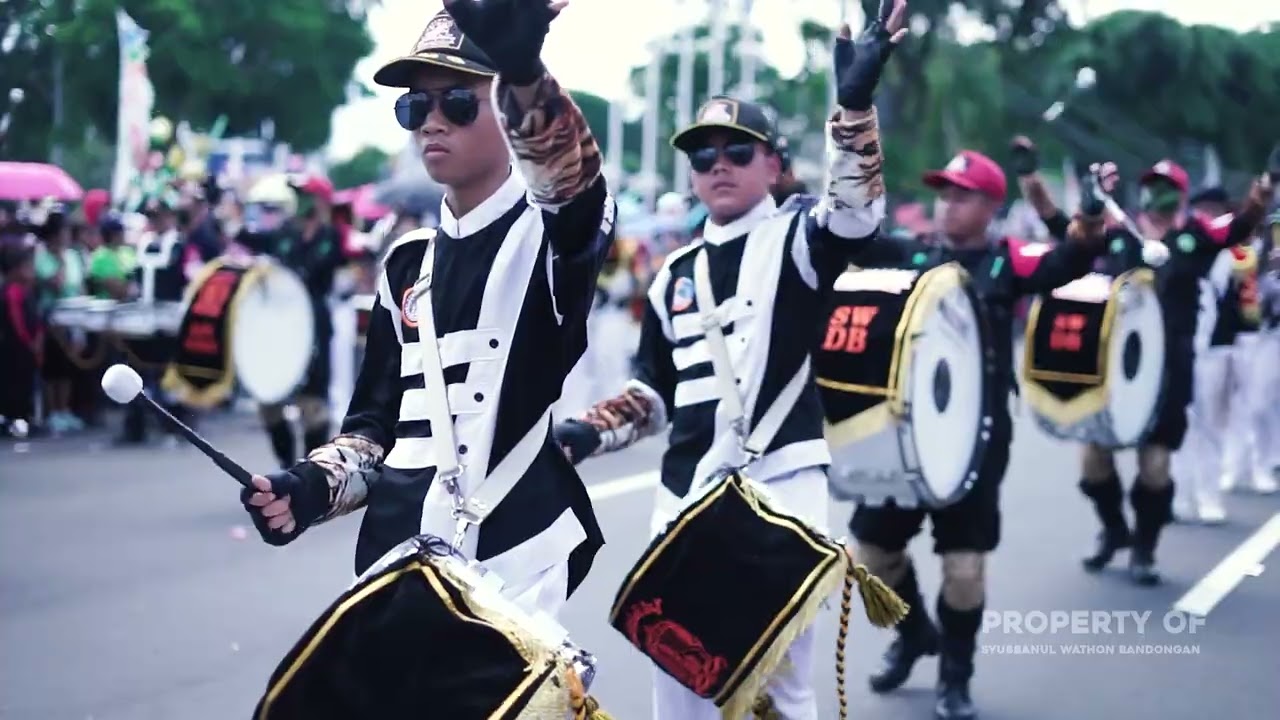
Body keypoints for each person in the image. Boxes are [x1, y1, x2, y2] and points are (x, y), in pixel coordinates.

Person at [552, 3, 908, 717]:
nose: (718, 165)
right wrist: (591, 431)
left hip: (780, 485)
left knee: (779, 683)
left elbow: (857, 214)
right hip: (684, 496)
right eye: (703, 155)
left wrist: (853, 110)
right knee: (679, 678)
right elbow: (655, 389)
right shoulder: (672, 273)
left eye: (738, 151)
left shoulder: (801, 239)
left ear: (774, 164)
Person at [241, 0, 613, 621]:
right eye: (416, 106)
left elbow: (572, 183)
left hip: (513, 562)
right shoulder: (405, 263)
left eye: (458, 102)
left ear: (506, 110)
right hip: (392, 563)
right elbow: (374, 428)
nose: (431, 122)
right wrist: (310, 487)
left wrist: (525, 72)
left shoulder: (551, 235)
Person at [827, 146, 1109, 719]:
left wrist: (1090, 216)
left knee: (964, 567)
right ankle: (914, 635)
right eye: (944, 193)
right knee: (871, 555)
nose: (948, 203)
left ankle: (956, 676)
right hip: (904, 433)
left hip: (976, 439)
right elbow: (848, 237)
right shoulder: (910, 254)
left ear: (990, 206)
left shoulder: (1010, 262)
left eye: (962, 195)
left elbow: (1074, 260)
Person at [1020, 151, 1272, 564]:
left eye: (1168, 188)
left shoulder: (1195, 237)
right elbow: (1066, 233)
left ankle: (1145, 548)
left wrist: (1265, 186)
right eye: (1152, 186)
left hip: (1170, 366)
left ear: (1182, 195)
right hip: (1114, 363)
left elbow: (1242, 224)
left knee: (1154, 465)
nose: (1158, 194)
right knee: (1093, 460)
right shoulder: (1119, 235)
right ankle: (1113, 529)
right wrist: (1041, 186)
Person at [249, 174, 346, 467]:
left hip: (314, 323)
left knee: (313, 403)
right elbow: (254, 243)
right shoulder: (284, 233)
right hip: (282, 325)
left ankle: (309, 470)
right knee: (269, 400)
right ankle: (286, 464)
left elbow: (318, 268)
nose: (300, 202)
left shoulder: (330, 235)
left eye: (306, 195)